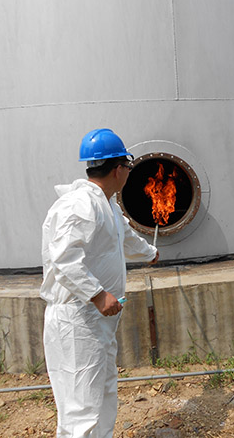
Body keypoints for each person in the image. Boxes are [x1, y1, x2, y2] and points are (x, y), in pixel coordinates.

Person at [41, 128, 159, 437]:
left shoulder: (107, 206)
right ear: (118, 169)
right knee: (81, 407)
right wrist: (97, 295)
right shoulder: (80, 205)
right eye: (128, 167)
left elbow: (125, 238)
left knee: (102, 397)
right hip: (77, 322)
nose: (129, 173)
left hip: (97, 323)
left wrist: (150, 253)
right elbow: (64, 258)